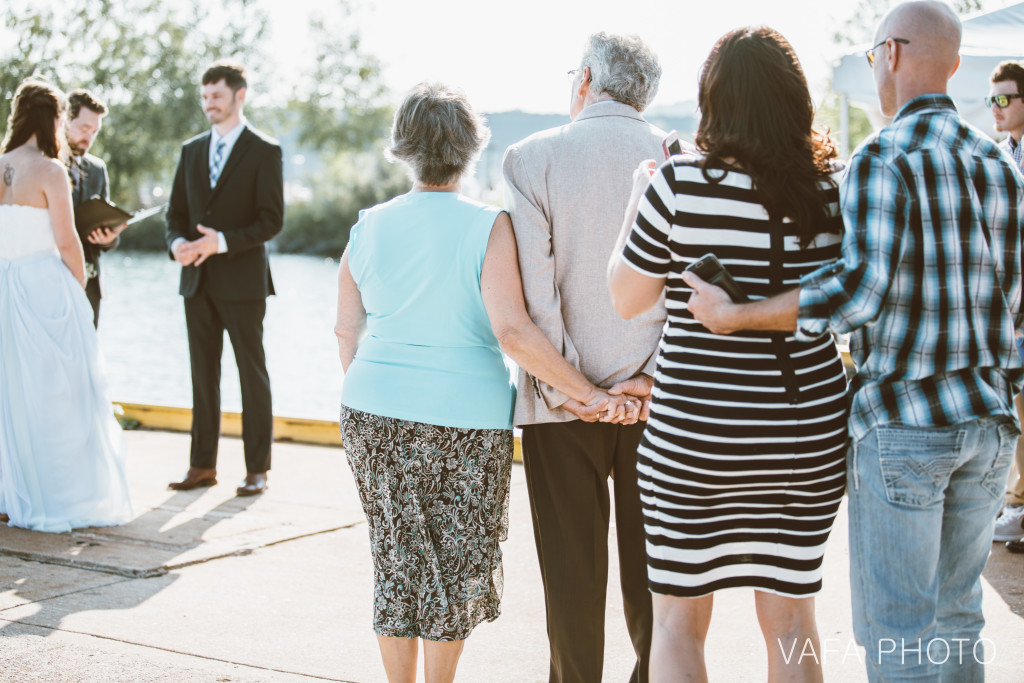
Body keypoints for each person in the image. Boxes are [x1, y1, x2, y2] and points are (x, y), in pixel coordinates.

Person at [683, 3, 1024, 680]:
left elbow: (857, 293)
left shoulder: (881, 157)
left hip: (904, 423)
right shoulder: (1000, 166)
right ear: (954, 66)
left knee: (898, 629)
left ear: (891, 54)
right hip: (989, 424)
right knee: (959, 617)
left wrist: (737, 315)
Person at [334, 82, 632, 683]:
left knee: (396, 559)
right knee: (457, 558)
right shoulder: (488, 225)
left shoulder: (367, 225)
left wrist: (383, 391)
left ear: (401, 148)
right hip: (465, 417)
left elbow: (346, 331)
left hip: (370, 410)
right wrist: (591, 395)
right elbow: (514, 332)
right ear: (472, 149)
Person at [607, 26, 848, 683]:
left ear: (712, 100)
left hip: (695, 435)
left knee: (679, 624)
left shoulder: (679, 184)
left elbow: (627, 298)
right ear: (795, 100)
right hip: (805, 431)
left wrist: (638, 196)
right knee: (795, 621)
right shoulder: (835, 189)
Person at [502, 32, 668, 683]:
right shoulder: (675, 157)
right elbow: (684, 291)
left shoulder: (531, 157)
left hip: (559, 404)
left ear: (588, 78)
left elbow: (537, 298)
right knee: (657, 587)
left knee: (571, 589)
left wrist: (576, 390)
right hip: (656, 406)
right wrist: (646, 381)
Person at [0, 77, 132, 532]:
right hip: (43, 284)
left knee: (11, 391)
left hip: (5, 282)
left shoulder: (0, 166)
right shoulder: (51, 171)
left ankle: (9, 491)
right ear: (53, 120)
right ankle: (58, 491)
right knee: (62, 393)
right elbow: (67, 240)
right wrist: (77, 286)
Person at [165, 60, 283, 497]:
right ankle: (201, 466)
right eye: (205, 96)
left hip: (244, 282)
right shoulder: (191, 150)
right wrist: (176, 243)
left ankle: (257, 469)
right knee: (202, 375)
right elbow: (174, 214)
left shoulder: (265, 150)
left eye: (216, 95)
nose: (209, 104)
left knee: (252, 374)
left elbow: (272, 220)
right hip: (195, 281)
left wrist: (224, 242)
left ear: (240, 95)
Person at [987, 60, 1024, 548]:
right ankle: (1016, 501)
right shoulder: (996, 156)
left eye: (1004, 99)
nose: (994, 107)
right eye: (991, 98)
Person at [67, 89, 126, 328]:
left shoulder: (98, 168)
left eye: (94, 132)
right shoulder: (44, 166)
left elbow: (107, 239)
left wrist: (109, 238)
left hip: (91, 285)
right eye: (84, 129)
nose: (89, 138)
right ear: (64, 121)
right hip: (53, 280)